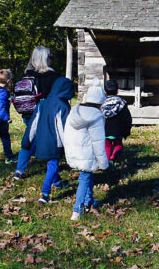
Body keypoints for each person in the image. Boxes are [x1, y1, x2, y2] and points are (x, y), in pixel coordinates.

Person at [21, 76, 74, 204]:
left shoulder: (42, 103)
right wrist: (68, 147)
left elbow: (33, 124)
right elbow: (63, 128)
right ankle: (44, 193)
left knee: (51, 164)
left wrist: (27, 141)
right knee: (52, 165)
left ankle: (58, 183)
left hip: (41, 140)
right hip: (55, 142)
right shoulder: (63, 106)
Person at [63, 78, 109, 220]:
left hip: (74, 151)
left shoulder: (74, 111)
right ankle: (77, 210)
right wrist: (103, 163)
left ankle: (89, 201)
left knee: (87, 175)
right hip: (87, 153)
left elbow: (67, 133)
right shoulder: (97, 116)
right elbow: (98, 142)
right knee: (84, 177)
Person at [13, 46, 59, 181]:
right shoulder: (51, 76)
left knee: (28, 139)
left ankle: (19, 170)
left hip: (28, 113)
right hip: (44, 114)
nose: (51, 59)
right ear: (45, 59)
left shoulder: (28, 74)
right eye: (50, 57)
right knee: (50, 144)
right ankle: (55, 179)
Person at [101, 79, 132, 168]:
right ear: (117, 90)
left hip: (104, 130)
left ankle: (106, 164)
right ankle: (112, 159)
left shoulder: (101, 103)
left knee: (106, 147)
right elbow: (127, 119)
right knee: (118, 145)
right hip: (118, 130)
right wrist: (126, 131)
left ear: (105, 91)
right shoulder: (122, 102)